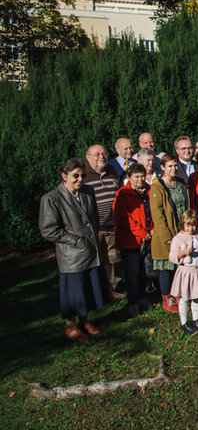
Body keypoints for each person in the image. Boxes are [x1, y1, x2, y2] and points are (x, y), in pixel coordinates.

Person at [39, 158, 109, 341]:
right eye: (75, 176)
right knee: (75, 292)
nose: (80, 179)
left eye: (83, 175)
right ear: (64, 176)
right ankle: (69, 326)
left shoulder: (87, 191)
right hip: (72, 254)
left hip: (91, 251)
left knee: (90, 288)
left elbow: (93, 217)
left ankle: (84, 321)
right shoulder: (51, 198)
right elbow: (48, 230)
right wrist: (76, 241)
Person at [150, 154, 189, 313]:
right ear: (162, 168)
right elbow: (157, 214)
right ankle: (166, 297)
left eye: (175, 166)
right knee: (167, 267)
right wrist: (167, 237)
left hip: (183, 230)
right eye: (170, 166)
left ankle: (177, 293)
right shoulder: (158, 187)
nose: (173, 169)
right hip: (167, 233)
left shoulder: (180, 184)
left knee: (179, 266)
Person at [114, 163, 154, 317]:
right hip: (131, 239)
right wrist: (142, 232)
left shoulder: (149, 190)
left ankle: (142, 296)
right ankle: (132, 302)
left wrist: (152, 229)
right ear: (129, 177)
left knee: (143, 270)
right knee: (132, 271)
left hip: (147, 237)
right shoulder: (123, 194)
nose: (140, 179)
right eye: (136, 177)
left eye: (142, 176)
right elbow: (124, 219)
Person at [83, 144, 123, 300]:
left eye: (104, 154)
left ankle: (115, 288)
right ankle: (99, 290)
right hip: (94, 227)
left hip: (113, 224)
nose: (102, 157)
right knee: (96, 259)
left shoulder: (112, 171)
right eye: (97, 154)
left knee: (114, 258)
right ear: (88, 157)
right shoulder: (84, 175)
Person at [169, 210, 198, 334]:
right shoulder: (177, 239)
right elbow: (172, 257)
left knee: (196, 296)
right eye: (187, 225)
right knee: (184, 298)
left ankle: (196, 319)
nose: (190, 228)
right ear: (182, 224)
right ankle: (184, 322)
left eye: (193, 225)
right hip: (186, 272)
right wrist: (182, 253)